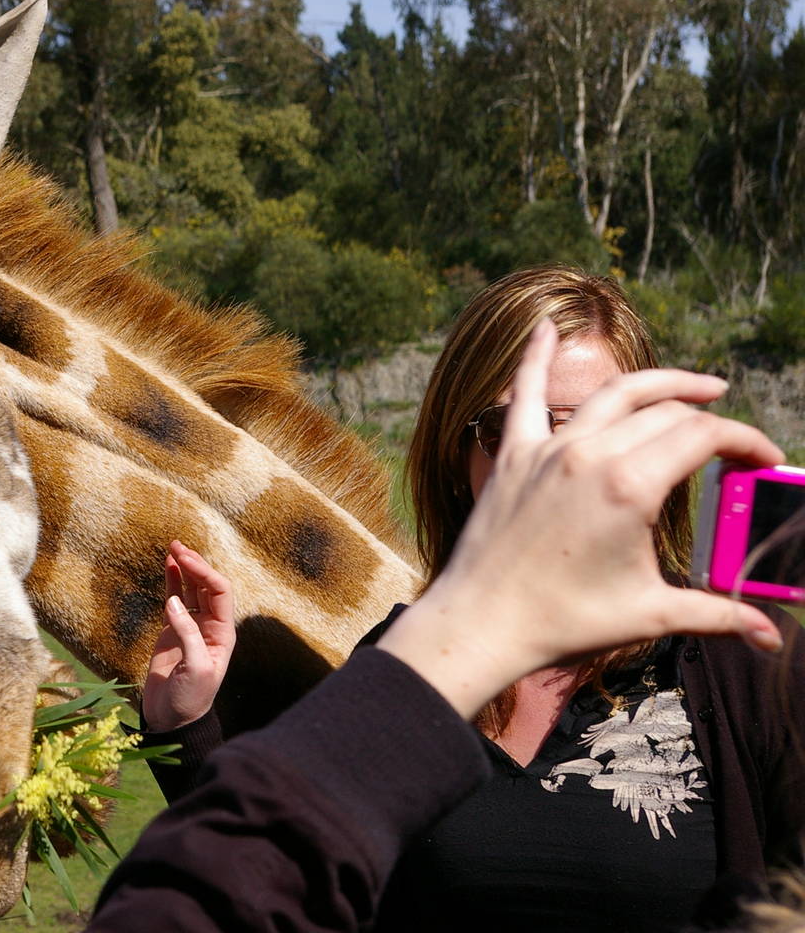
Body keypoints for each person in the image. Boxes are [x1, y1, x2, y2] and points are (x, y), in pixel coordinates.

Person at [120, 267, 805, 932]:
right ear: (458, 457)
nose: (557, 463)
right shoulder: (404, 661)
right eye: (513, 430)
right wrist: (188, 726)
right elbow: (281, 887)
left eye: (596, 426)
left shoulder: (744, 659)